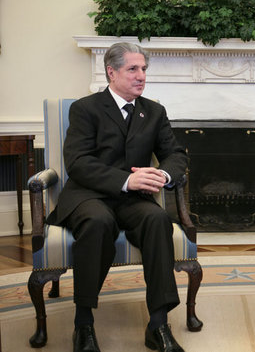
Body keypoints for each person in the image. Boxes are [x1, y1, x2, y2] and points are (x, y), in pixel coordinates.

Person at [46, 42, 188, 352]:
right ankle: (83, 323)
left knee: (157, 219)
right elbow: (78, 163)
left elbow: (175, 154)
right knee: (98, 222)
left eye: (144, 69)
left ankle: (158, 324)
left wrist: (162, 176)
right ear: (112, 72)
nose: (141, 76)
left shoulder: (153, 111)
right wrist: (126, 179)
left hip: (133, 199)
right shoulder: (85, 108)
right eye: (133, 69)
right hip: (88, 195)